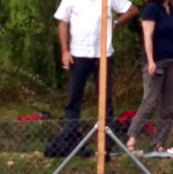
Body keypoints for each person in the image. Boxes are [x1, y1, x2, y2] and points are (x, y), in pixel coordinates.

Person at [54, 0, 138, 129]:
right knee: (74, 98)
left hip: (103, 54)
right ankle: (70, 138)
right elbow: (63, 23)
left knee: (105, 99)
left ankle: (106, 142)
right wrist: (65, 50)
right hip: (79, 53)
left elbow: (132, 9)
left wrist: (115, 23)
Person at [127, 0, 173, 151]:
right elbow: (148, 36)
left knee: (169, 106)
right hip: (156, 60)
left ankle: (160, 142)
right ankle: (132, 137)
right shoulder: (151, 9)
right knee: (150, 101)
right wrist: (151, 61)